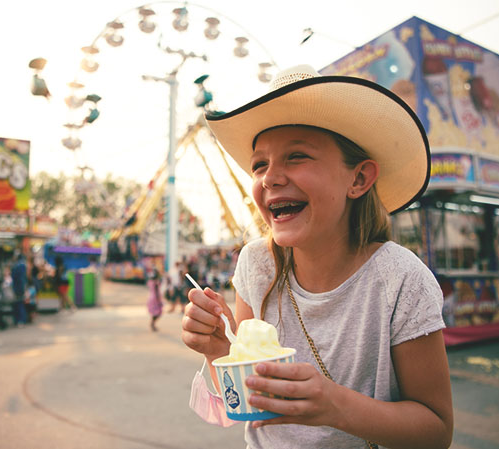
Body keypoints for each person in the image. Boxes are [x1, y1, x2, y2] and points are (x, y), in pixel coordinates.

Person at [181, 65, 453, 448]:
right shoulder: (256, 265)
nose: (270, 177)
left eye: (296, 157)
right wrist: (219, 351)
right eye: (260, 164)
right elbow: (247, 403)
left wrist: (333, 403)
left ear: (358, 179)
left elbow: (436, 432)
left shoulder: (400, 279)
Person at [10, 252, 28, 326]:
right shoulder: (23, 264)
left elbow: (14, 276)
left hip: (18, 287)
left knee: (18, 303)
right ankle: (21, 320)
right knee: (20, 303)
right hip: (21, 286)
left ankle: (20, 320)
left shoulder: (18, 265)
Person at [146, 267, 163, 331]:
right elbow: (156, 292)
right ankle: (152, 324)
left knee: (155, 313)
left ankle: (152, 324)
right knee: (158, 313)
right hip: (155, 299)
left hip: (151, 297)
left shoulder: (150, 281)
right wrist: (159, 301)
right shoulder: (156, 282)